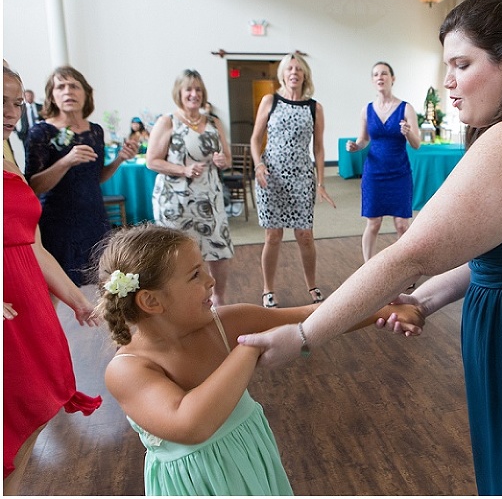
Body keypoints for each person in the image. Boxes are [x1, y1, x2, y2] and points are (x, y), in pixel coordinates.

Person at [238, 0, 502, 495]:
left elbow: (408, 255)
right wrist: (424, 299)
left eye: (462, 64)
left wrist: (305, 336)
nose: (448, 82)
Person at [94, 223, 421, 495]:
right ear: (151, 301)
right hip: (195, 484)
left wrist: (384, 308)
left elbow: (312, 315)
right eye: (195, 275)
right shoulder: (128, 369)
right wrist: (248, 349)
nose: (211, 280)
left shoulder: (227, 322)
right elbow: (190, 423)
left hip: (251, 457)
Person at [3, 64, 102, 495]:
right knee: (13, 419)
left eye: (13, 101)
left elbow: (33, 244)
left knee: (39, 408)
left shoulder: (7, 150)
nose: (10, 112)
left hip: (28, 291)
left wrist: (75, 299)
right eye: (1, 102)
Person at [24, 66, 139, 287]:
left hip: (93, 216)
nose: (68, 91)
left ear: (85, 94)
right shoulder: (40, 132)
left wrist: (119, 160)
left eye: (74, 86)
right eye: (61, 86)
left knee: (100, 280)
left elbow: (96, 178)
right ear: (52, 96)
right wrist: (66, 161)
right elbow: (34, 185)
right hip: (58, 221)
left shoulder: (95, 131)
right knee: (61, 285)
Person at [249, 53, 336, 308]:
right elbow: (255, 139)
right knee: (273, 235)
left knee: (305, 236)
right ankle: (268, 290)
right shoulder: (270, 101)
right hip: (271, 177)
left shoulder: (314, 107)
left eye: (299, 69)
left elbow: (319, 148)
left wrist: (321, 182)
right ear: (283, 73)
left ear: (305, 74)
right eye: (290, 68)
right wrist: (258, 165)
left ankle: (312, 284)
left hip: (301, 177)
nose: (294, 72)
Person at [146, 69, 233, 307]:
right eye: (189, 90)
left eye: (198, 90)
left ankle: (218, 300)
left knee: (219, 249)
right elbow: (152, 160)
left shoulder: (213, 121)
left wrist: (223, 161)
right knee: (177, 254)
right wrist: (182, 170)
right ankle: (179, 304)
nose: (194, 94)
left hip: (210, 197)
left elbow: (227, 157)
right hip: (176, 200)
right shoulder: (168, 121)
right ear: (179, 93)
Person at [346, 62, 421, 261]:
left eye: (384, 74)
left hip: (399, 172)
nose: (380, 77)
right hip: (374, 172)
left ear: (392, 78)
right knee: (373, 223)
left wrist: (408, 133)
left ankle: (405, 268)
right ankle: (367, 269)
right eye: (376, 74)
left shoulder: (406, 108)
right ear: (373, 81)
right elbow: (363, 140)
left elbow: (417, 144)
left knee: (402, 225)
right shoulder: (367, 110)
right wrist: (355, 146)